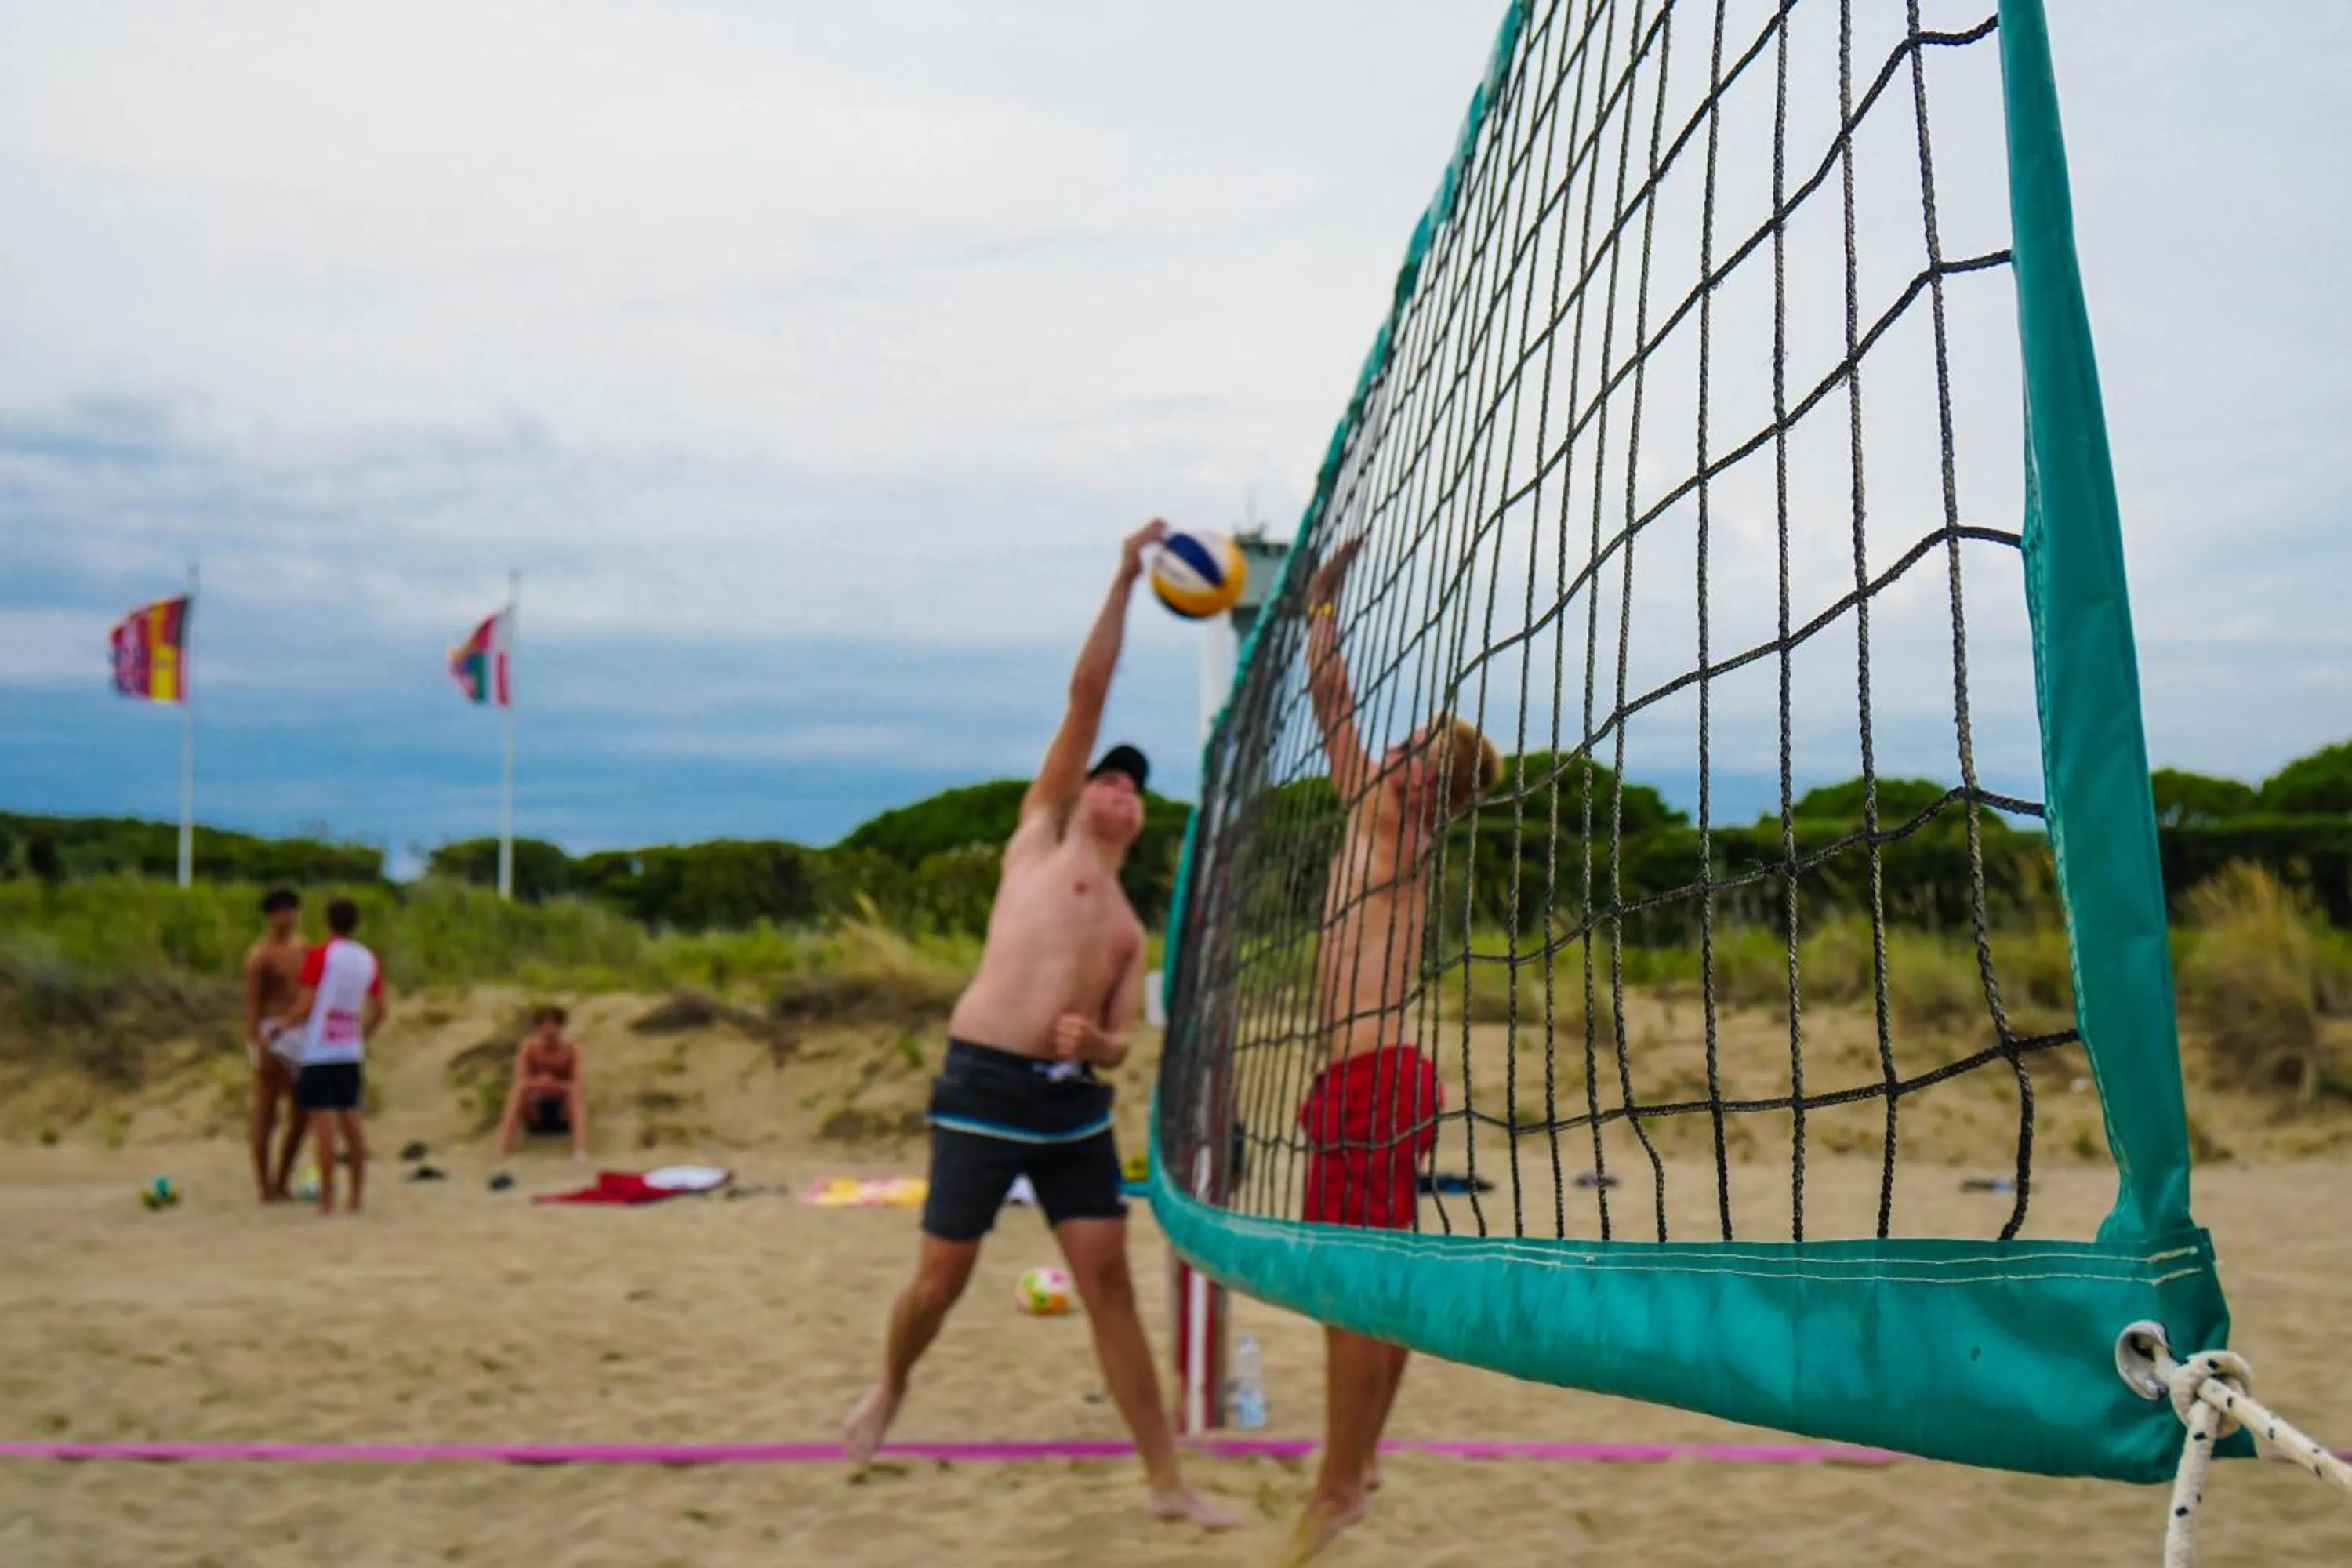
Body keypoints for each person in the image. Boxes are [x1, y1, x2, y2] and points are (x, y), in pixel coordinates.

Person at [841, 521, 1234, 1534]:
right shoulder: (1040, 835)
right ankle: (890, 1387)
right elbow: (1086, 700)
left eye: (1136, 789)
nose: (1121, 790)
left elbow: (1120, 1041)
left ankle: (1166, 1483)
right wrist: (1119, 582)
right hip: (979, 1087)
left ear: (1141, 821)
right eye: (1110, 777)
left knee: (1110, 1286)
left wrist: (1095, 1048)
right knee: (940, 1282)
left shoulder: (1127, 928)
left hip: (1067, 1111)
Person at [1281, 534, 1502, 1564]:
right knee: (1388, 1278)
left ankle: (1337, 1484)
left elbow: (1332, 709)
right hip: (1378, 1079)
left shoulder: (1385, 816)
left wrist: (1319, 609)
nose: (1394, 748)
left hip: (1372, 1080)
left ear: (1427, 783)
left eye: (1415, 745)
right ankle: (1360, 1462)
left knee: (1347, 1290)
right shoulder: (1403, 831)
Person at [274, 897, 387, 1216]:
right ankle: (356, 1197)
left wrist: (282, 1025)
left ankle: (327, 1199)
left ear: (327, 922)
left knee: (323, 1125)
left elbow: (308, 1002)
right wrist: (362, 1034)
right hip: (350, 1049)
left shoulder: (321, 954)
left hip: (321, 1049)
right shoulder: (368, 957)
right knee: (352, 1121)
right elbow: (380, 1010)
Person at [239, 887, 309, 1202]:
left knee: (302, 1112)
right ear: (270, 916)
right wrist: (257, 1043)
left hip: (300, 1029)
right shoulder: (260, 955)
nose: (287, 917)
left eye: (291, 911)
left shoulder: (303, 948)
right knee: (266, 1111)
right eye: (281, 911)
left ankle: (283, 1179)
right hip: (272, 1029)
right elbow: (252, 1003)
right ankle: (265, 1185)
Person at [492, 1005, 588, 1161]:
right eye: (543, 1025)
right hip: (536, 1111)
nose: (548, 1029)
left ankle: (580, 1150)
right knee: (518, 1092)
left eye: (552, 1024)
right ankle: (501, 1149)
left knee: (575, 1095)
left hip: (562, 1112)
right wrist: (538, 1084)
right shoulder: (529, 1047)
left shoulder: (571, 1048)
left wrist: (554, 1085)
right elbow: (520, 1079)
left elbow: (578, 1083)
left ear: (561, 1026)